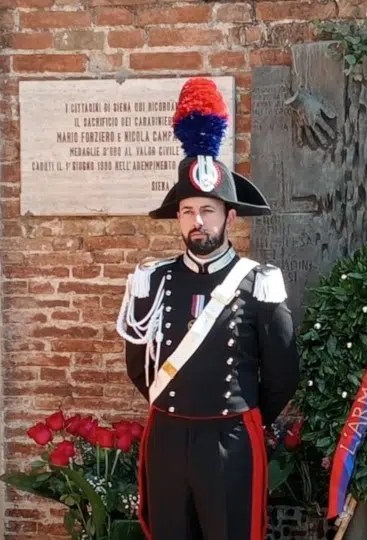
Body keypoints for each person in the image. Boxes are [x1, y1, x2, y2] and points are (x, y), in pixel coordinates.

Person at [116, 77, 300, 540]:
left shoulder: (260, 283)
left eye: (208, 210)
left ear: (229, 217)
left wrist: (236, 415)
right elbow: (139, 367)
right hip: (167, 435)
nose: (197, 221)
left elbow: (282, 375)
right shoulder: (153, 280)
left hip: (230, 438)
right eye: (187, 211)